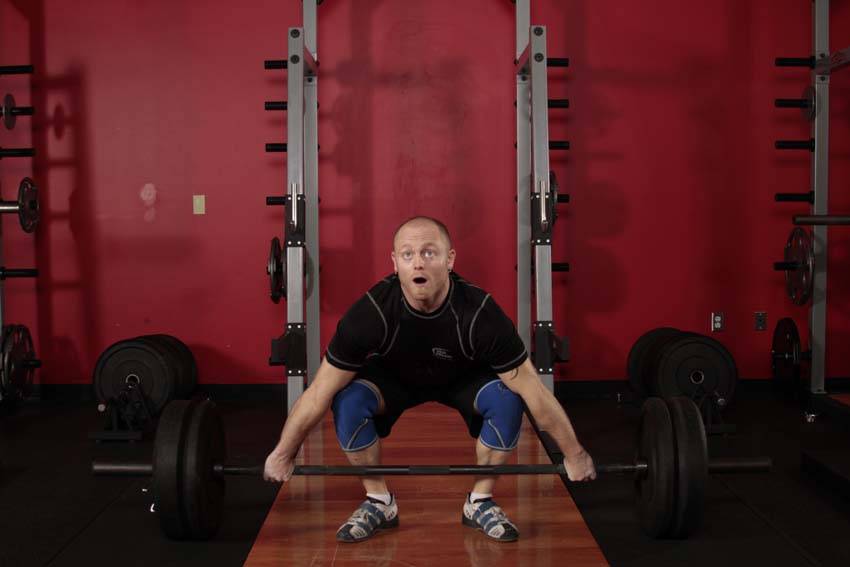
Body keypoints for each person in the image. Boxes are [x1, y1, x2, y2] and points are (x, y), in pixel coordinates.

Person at [263, 216, 596, 543]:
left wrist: (575, 454)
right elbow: (320, 390)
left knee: (509, 399)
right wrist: (282, 453)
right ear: (395, 264)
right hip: (393, 380)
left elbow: (534, 392)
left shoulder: (480, 314)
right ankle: (379, 501)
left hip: (462, 379)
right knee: (347, 401)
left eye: (429, 252)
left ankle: (479, 501)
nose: (418, 263)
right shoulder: (371, 313)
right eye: (407, 255)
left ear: (450, 259)